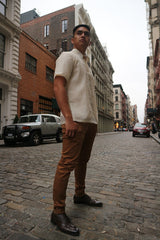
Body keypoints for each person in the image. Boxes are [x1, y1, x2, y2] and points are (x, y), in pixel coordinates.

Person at [51, 24, 103, 236]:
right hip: (75, 121)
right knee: (66, 165)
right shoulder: (67, 57)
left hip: (89, 122)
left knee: (82, 161)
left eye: (86, 34)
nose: (83, 36)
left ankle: (80, 194)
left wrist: (94, 122)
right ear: (72, 39)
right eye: (79, 33)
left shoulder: (86, 64)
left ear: (89, 41)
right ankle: (58, 212)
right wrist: (69, 119)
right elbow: (58, 85)